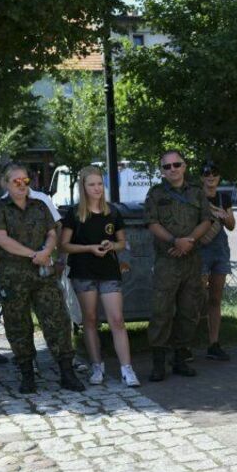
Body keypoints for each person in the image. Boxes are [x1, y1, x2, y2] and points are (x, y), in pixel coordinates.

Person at [0, 164, 85, 394]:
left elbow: (52, 233)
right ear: (6, 184)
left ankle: (66, 371)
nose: (22, 185)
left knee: (57, 318)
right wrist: (33, 254)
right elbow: (1, 240)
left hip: (43, 273)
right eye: (16, 182)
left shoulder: (39, 205)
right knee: (18, 323)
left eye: (25, 181)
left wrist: (46, 252)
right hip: (14, 275)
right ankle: (27, 374)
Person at [60, 165, 140, 387]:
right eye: (91, 184)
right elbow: (64, 245)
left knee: (116, 319)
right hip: (83, 272)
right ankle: (97, 365)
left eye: (99, 184)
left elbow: (122, 242)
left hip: (108, 271)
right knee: (91, 319)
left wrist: (111, 244)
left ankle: (127, 368)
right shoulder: (74, 213)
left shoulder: (112, 211)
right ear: (83, 187)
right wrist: (89, 248)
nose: (97, 189)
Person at [145, 150, 211, 382]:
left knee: (189, 311)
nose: (172, 169)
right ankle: (158, 363)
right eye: (167, 167)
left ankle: (181, 359)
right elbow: (152, 223)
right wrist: (175, 242)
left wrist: (189, 241)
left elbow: (206, 220)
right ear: (161, 171)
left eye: (176, 165)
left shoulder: (196, 192)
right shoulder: (155, 194)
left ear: (184, 166)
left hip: (192, 260)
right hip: (167, 261)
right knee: (161, 311)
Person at [198, 160, 235, 361]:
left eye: (214, 173)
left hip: (220, 250)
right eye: (206, 173)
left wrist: (223, 215)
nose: (210, 176)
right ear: (201, 177)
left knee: (215, 298)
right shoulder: (197, 196)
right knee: (197, 297)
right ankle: (185, 343)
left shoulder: (224, 197)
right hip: (201, 251)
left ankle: (214, 343)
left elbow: (231, 225)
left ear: (218, 177)